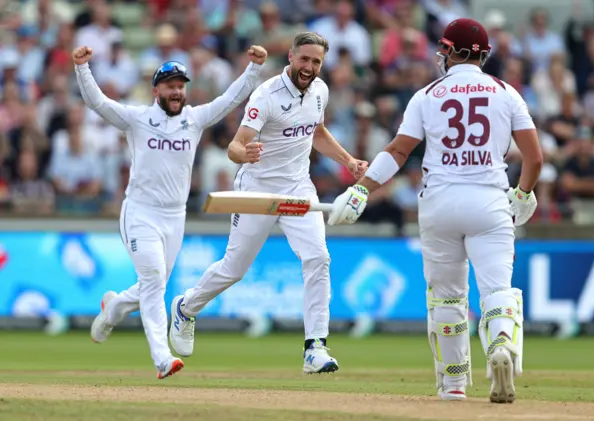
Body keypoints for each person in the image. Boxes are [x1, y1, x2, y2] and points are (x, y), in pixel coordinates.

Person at [327, 18, 542, 403]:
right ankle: (502, 344)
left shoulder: (427, 94)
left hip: (440, 203)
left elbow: (398, 152)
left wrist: (359, 192)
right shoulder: (507, 92)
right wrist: (523, 194)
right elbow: (535, 158)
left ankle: (455, 384)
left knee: (446, 298)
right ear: (485, 55)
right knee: (496, 290)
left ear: (448, 51)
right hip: (490, 202)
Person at [168, 32, 368, 374]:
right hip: (257, 190)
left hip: (298, 189)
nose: (309, 67)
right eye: (303, 59)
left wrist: (348, 162)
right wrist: (243, 153)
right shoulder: (267, 94)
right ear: (290, 56)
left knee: (318, 258)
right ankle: (186, 308)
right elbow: (235, 145)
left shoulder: (320, 90)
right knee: (234, 269)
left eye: (316, 61)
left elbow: (316, 133)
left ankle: (315, 347)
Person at [75, 44, 268, 379]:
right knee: (153, 281)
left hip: (174, 217)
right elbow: (97, 103)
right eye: (170, 85)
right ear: (156, 90)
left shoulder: (194, 120)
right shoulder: (137, 119)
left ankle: (114, 308)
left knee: (153, 284)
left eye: (181, 85)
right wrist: (82, 68)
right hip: (139, 212)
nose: (177, 91)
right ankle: (162, 358)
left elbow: (230, 100)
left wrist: (253, 69)